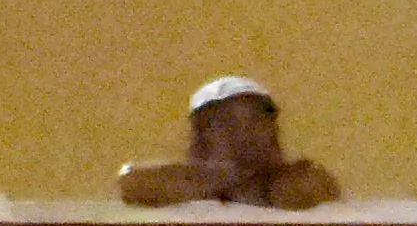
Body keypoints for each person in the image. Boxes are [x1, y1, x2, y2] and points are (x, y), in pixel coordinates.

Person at [118, 69, 338, 205]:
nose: (246, 134)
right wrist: (223, 177)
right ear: (201, 135)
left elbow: (314, 189)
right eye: (227, 123)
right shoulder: (174, 183)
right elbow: (132, 183)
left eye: (256, 121)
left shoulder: (299, 180)